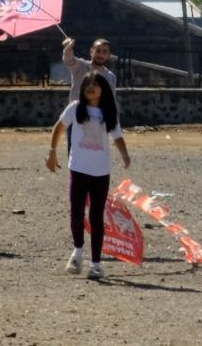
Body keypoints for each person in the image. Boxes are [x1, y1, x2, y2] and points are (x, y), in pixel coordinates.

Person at [46, 72, 130, 280]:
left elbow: (117, 136)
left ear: (103, 89)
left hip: (101, 172)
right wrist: (52, 151)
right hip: (78, 169)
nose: (91, 88)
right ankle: (77, 252)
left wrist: (125, 155)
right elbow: (59, 127)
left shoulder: (108, 112)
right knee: (76, 212)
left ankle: (96, 263)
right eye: (87, 85)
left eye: (95, 84)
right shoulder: (75, 108)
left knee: (96, 217)